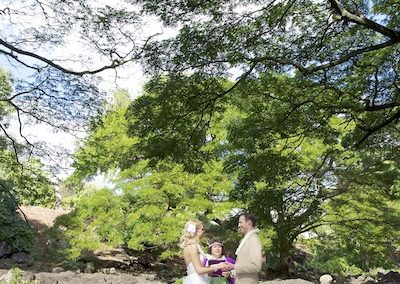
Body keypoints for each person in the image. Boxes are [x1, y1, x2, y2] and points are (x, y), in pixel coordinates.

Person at [225, 213, 263, 284]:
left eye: (240, 222)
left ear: (249, 223)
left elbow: (256, 266)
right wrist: (231, 271)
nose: (239, 225)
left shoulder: (253, 240)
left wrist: (234, 266)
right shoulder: (247, 240)